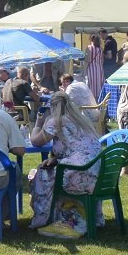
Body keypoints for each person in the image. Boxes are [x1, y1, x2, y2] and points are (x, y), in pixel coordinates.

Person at [27, 91, 104, 237]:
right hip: (99, 173)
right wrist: (56, 159)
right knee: (51, 169)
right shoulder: (82, 119)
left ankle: (43, 218)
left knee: (40, 174)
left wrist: (38, 123)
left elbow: (36, 141)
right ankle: (77, 215)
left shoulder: (55, 121)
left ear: (52, 107)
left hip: (81, 174)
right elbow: (77, 147)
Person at [85, 33, 105, 99]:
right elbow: (102, 61)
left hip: (91, 69)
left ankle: (92, 100)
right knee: (99, 86)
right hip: (99, 69)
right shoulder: (100, 49)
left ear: (91, 39)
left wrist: (84, 70)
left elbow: (87, 60)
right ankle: (99, 100)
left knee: (91, 85)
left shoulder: (89, 48)